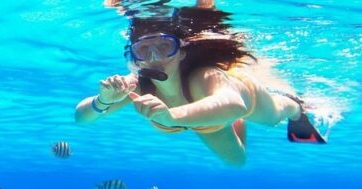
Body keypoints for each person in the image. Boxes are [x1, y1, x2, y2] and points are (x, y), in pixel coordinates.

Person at [75, 1, 326, 167]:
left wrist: (172, 116)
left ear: (182, 51)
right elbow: (81, 119)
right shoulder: (137, 86)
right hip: (206, 118)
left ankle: (296, 106)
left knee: (275, 116)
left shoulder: (202, 76)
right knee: (237, 162)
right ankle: (221, 117)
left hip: (239, 98)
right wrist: (103, 101)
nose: (155, 58)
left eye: (165, 47)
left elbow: (235, 104)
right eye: (144, 50)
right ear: (135, 58)